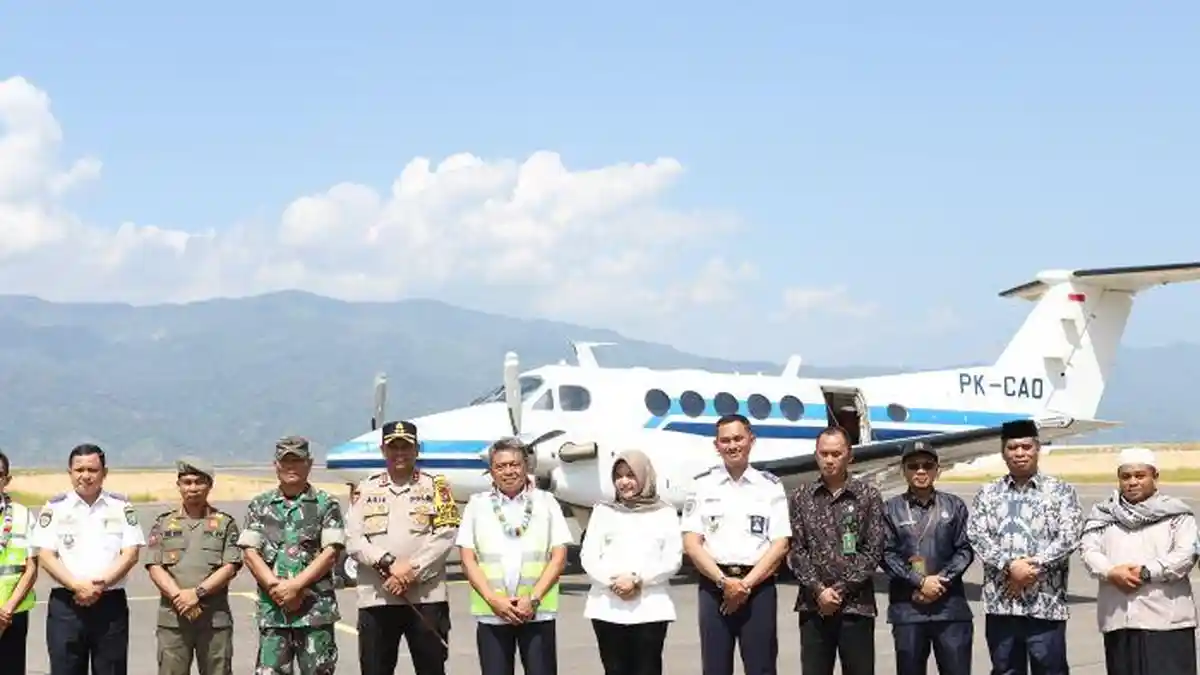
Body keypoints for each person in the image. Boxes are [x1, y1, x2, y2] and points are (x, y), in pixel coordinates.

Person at [966, 419, 1081, 675]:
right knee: (1005, 669)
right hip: (1002, 603)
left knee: (1050, 669)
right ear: (1003, 452)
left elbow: (1069, 537)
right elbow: (977, 534)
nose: (1020, 453)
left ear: (1038, 448)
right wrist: (1010, 567)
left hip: (1046, 603)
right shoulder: (987, 493)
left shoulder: (1061, 491)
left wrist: (1030, 568)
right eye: (1013, 447)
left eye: (1026, 447)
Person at [345, 420, 460, 675]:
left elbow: (446, 534)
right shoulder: (366, 488)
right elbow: (353, 539)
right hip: (377, 598)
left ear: (416, 449)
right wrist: (389, 563)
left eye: (406, 446)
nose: (400, 453)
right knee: (375, 669)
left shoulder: (436, 487)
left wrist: (411, 570)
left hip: (426, 597)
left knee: (431, 669)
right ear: (383, 450)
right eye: (393, 447)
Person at [682, 413, 791, 675]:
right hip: (714, 587)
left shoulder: (770, 486)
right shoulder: (702, 485)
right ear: (716, 445)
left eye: (738, 438)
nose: (732, 445)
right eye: (725, 440)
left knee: (762, 666)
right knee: (715, 667)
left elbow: (780, 543)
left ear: (751, 440)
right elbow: (692, 542)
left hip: (758, 588)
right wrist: (724, 583)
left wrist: (745, 585)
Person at [456, 437, 573, 675]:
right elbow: (468, 560)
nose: (508, 471)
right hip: (493, 614)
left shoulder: (546, 502)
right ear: (491, 471)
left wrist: (534, 599)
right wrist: (493, 600)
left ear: (526, 466)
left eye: (514, 464)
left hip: (537, 613)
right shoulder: (477, 506)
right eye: (501, 466)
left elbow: (559, 557)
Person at [1079, 446, 1199, 675]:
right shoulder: (1104, 515)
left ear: (1155, 477)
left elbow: (1185, 555)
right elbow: (1088, 551)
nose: (1132, 482)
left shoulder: (1177, 515)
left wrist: (1145, 572)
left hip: (1166, 622)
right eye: (1126, 476)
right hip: (1119, 620)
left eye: (1140, 475)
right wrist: (1111, 572)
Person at [32, 443, 146, 675]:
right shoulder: (55, 508)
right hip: (67, 605)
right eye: (79, 470)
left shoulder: (120, 506)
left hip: (109, 603)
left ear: (105, 472)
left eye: (92, 470)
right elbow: (45, 555)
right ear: (70, 473)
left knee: (111, 670)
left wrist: (100, 585)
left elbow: (131, 553)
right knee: (65, 669)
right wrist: (76, 586)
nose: (85, 476)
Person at [237, 436, 346, 675]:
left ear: (309, 463)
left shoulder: (326, 504)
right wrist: (275, 587)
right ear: (275, 465)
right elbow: (249, 552)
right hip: (274, 611)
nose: (291, 468)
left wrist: (296, 586)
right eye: (285, 462)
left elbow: (331, 553)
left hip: (315, 613)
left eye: (297, 461)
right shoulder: (260, 505)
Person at [785, 425, 885, 675]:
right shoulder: (801, 497)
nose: (829, 460)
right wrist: (819, 591)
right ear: (816, 454)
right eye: (824, 453)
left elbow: (873, 550)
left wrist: (838, 591)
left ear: (850, 456)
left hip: (855, 606)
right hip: (814, 606)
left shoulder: (867, 495)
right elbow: (797, 550)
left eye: (836, 454)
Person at [580, 450, 682, 675]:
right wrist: (613, 581)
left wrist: (638, 580)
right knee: (614, 669)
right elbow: (588, 556)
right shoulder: (603, 511)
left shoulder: (665, 513)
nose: (624, 482)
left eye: (631, 475)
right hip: (608, 607)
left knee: (648, 668)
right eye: (619, 475)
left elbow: (672, 558)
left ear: (645, 476)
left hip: (650, 608)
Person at [880, 440, 975, 675]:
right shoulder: (890, 509)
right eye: (913, 466)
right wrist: (920, 581)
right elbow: (886, 554)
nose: (920, 471)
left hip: (950, 609)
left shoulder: (955, 506)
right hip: (908, 609)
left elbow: (965, 550)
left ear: (937, 469)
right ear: (903, 471)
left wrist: (939, 582)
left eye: (927, 465)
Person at [143, 456, 243, 675]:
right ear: (178, 485)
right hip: (173, 621)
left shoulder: (225, 523)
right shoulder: (164, 523)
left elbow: (230, 566)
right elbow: (154, 565)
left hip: (214, 621)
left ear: (210, 485)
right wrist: (180, 597)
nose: (193, 488)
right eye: (187, 482)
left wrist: (197, 593)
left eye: (200, 482)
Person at [0, 449, 38, 675]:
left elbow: (31, 568)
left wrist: (6, 612)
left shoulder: (23, 516)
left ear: (7, 479)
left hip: (12, 615)